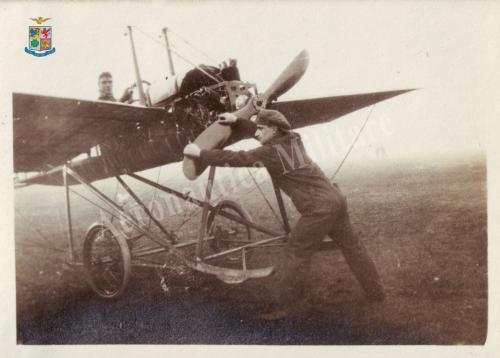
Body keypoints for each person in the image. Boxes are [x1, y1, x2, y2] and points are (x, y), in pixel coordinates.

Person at [183, 109, 385, 320]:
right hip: (336, 199)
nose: (257, 134)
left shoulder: (269, 152)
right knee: (353, 247)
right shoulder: (293, 139)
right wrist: (237, 121)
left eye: (261, 129)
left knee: (295, 253)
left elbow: (238, 158)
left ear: (274, 129)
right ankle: (377, 292)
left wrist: (201, 154)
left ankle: (286, 306)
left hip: (319, 209)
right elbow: (262, 131)